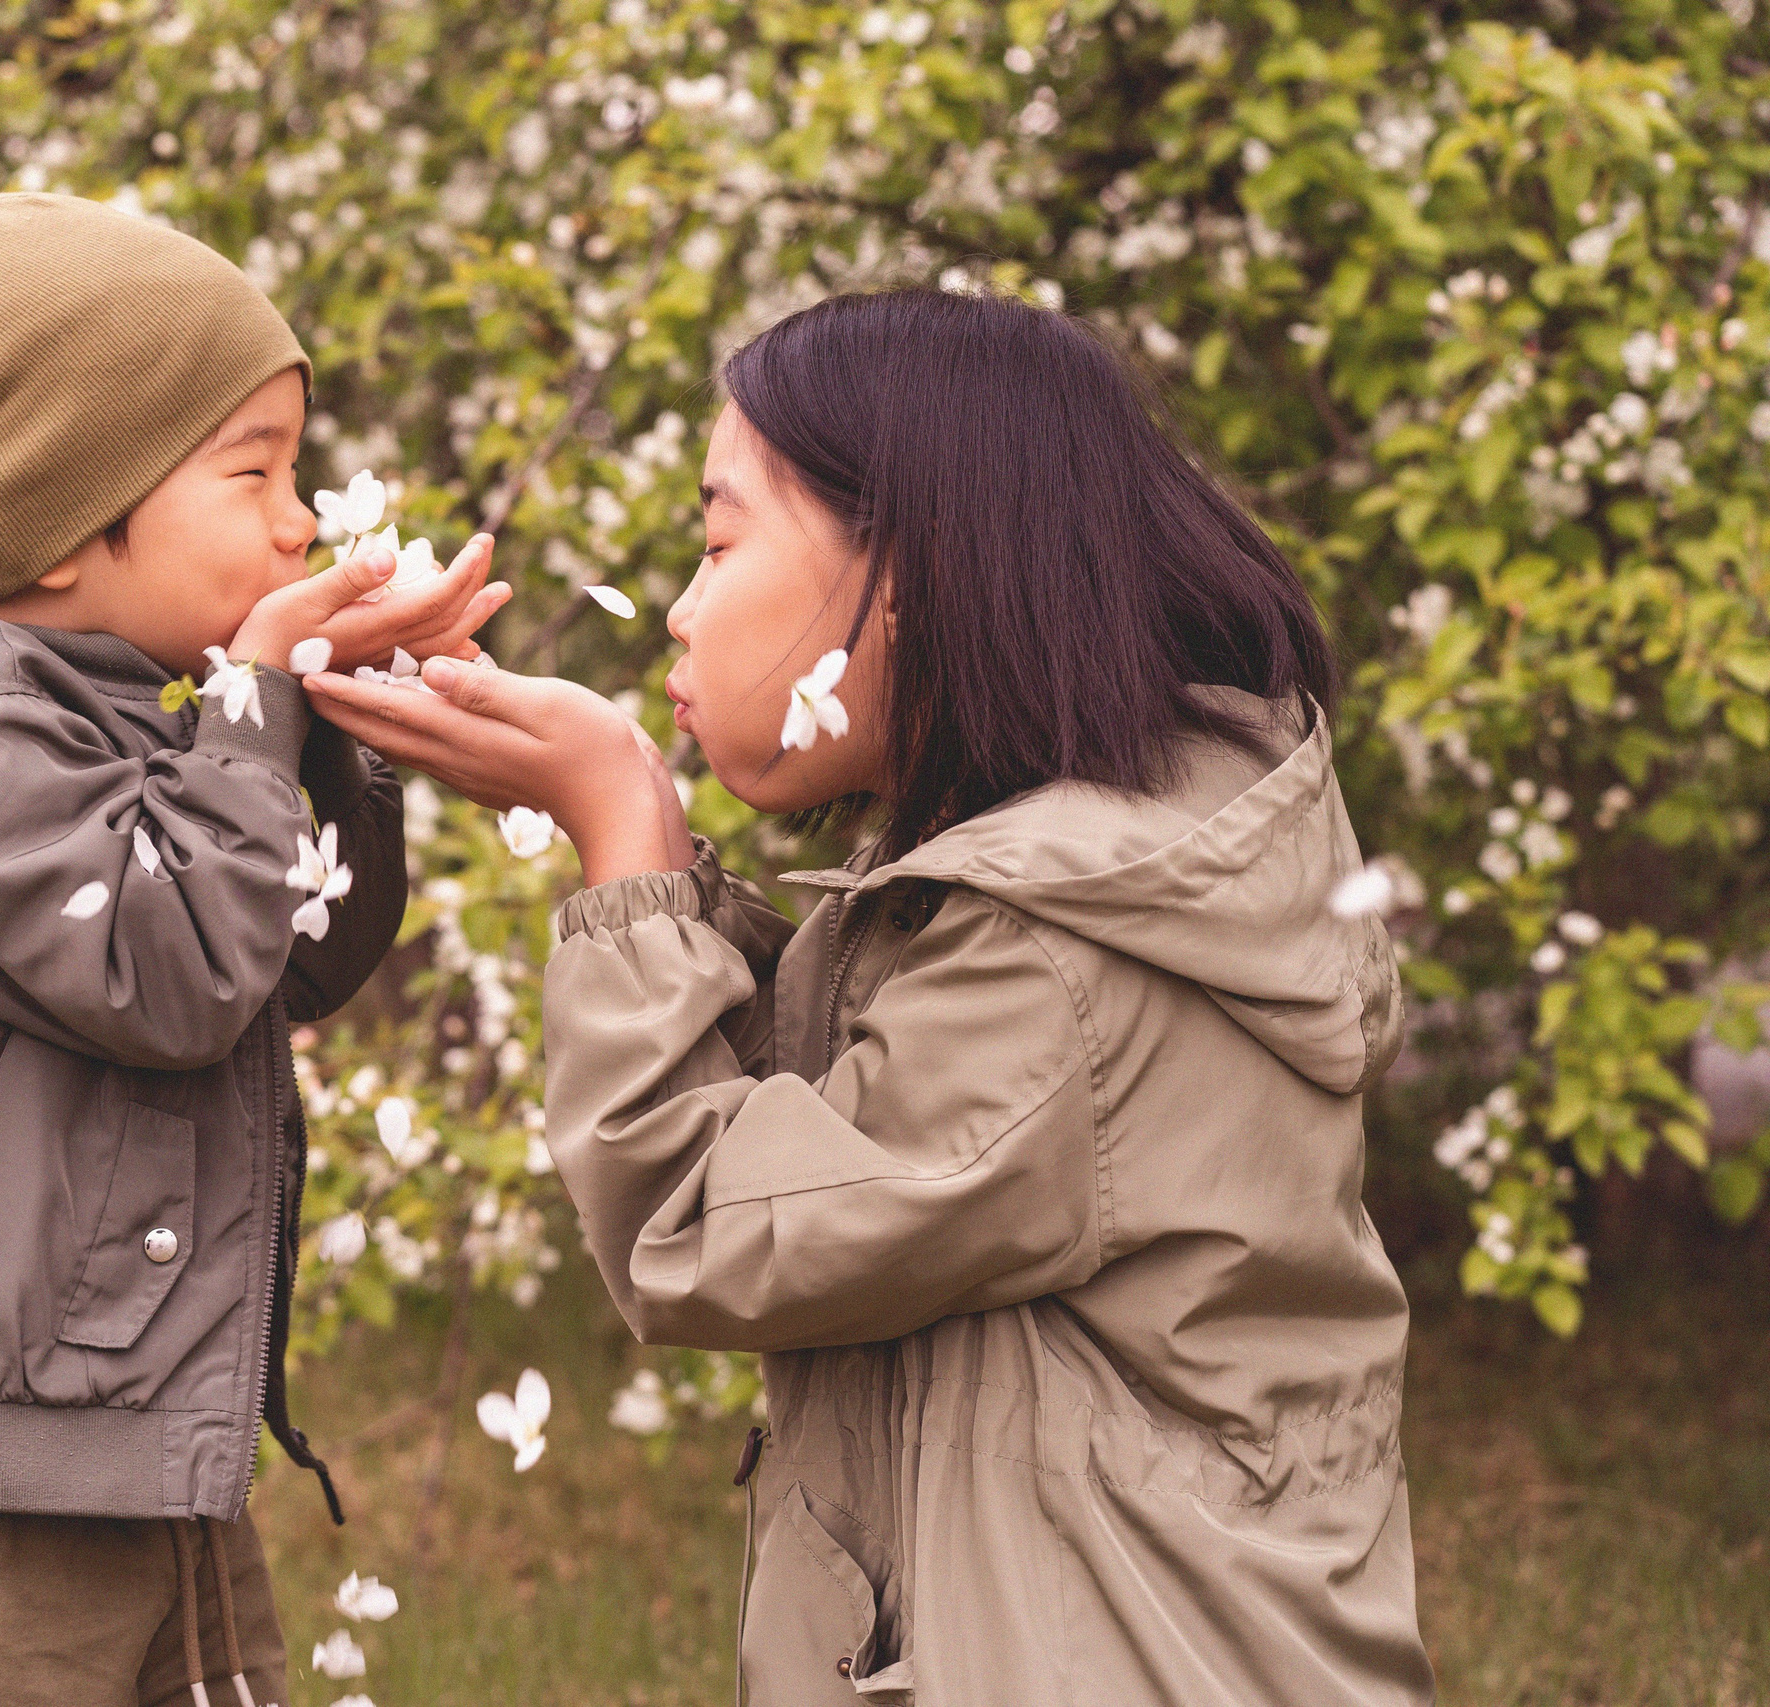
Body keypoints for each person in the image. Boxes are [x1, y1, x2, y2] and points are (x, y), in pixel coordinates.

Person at [305, 287, 1433, 1705]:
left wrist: (623, 832)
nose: (678, 605)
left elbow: (705, 1227)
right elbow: (847, 1122)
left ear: (909, 574)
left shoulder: (1063, 955)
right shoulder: (1105, 873)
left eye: (720, 544)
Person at [0, 192, 505, 1707]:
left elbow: (298, 961)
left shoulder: (149, 707)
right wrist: (265, 695)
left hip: (143, 1444)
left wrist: (341, 722)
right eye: (253, 472)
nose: (301, 520)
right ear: (70, 521)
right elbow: (174, 972)